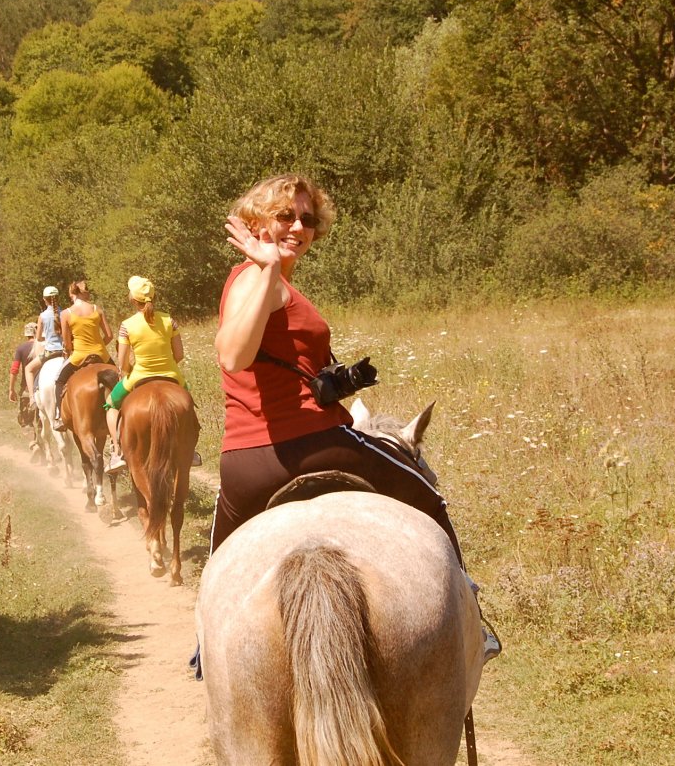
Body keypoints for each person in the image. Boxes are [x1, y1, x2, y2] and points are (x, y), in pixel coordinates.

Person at [213, 172, 499, 661]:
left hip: (244, 462)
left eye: (305, 218)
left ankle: (208, 647)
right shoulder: (258, 279)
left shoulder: (264, 282)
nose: (296, 226)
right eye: (284, 215)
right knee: (427, 493)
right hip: (312, 444)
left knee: (220, 561)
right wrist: (265, 269)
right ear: (257, 222)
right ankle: (473, 621)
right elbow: (233, 355)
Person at [104, 276, 202, 474]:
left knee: (111, 404)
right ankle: (190, 450)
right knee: (188, 404)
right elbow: (180, 355)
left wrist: (129, 370)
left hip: (139, 376)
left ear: (132, 299)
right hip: (172, 375)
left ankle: (117, 452)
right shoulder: (169, 321)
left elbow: (122, 362)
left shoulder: (127, 325)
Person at [52, 280, 113, 430]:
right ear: (84, 293)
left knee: (59, 380)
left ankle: (59, 416)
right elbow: (109, 335)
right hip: (101, 354)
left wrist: (70, 351)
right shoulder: (96, 309)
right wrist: (98, 347)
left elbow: (67, 344)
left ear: (72, 294)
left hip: (78, 356)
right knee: (121, 380)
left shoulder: (66, 313)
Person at [24, 286, 66, 399]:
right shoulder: (66, 313)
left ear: (44, 299)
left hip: (50, 352)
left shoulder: (42, 316)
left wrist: (46, 338)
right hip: (65, 352)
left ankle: (32, 397)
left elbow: (38, 338)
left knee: (28, 369)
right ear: (58, 298)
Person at [8, 321, 41, 453]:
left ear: (26, 334)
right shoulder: (45, 346)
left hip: (27, 389)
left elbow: (14, 369)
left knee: (25, 419)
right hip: (42, 388)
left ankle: (34, 444)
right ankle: (43, 447)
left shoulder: (21, 348)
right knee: (41, 420)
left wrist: (11, 389)